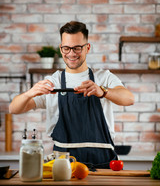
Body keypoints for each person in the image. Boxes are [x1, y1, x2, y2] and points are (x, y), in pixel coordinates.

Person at [9, 21, 134, 169]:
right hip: (63, 162)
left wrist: (103, 91)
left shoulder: (104, 77)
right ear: (61, 49)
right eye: (66, 48)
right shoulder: (53, 82)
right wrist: (29, 93)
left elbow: (129, 99)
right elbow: (14, 109)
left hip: (103, 160)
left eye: (77, 48)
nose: (71, 53)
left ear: (87, 48)